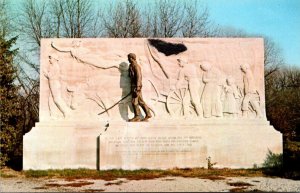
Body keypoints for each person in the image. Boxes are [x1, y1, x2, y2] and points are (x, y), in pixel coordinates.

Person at [128, 53, 152, 122]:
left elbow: (139, 77)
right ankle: (148, 114)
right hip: (133, 86)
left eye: (129, 58)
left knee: (134, 102)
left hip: (136, 87)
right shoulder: (131, 66)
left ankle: (137, 116)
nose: (128, 59)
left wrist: (138, 87)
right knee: (140, 101)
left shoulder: (136, 66)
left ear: (132, 58)